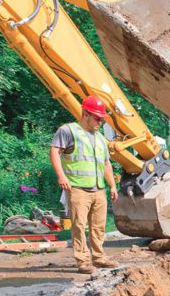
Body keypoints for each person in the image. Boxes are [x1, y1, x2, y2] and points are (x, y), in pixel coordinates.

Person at [50, 95, 120, 274]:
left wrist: (112, 185)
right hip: (78, 188)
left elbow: (106, 163)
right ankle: (82, 261)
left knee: (98, 226)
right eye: (97, 118)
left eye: (102, 119)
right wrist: (61, 176)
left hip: (99, 189)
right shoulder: (69, 131)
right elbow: (54, 151)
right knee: (79, 225)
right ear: (85, 114)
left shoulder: (101, 138)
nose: (100, 122)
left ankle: (99, 257)